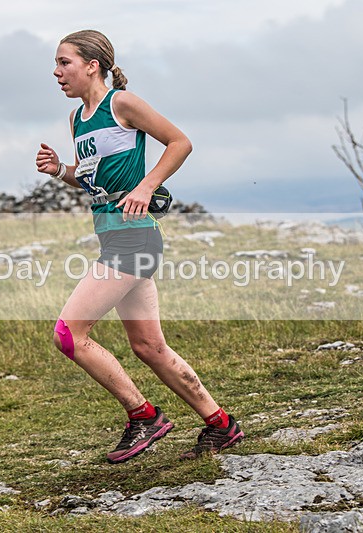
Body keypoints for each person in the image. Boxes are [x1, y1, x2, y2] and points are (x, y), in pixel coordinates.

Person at [35, 29, 243, 463]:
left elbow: (180, 142)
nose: (56, 72)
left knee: (68, 335)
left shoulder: (121, 103)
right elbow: (97, 179)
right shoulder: (78, 119)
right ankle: (220, 425)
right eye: (56, 65)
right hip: (113, 235)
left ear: (92, 65)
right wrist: (61, 171)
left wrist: (148, 185)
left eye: (64, 62)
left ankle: (143, 416)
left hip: (135, 238)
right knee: (149, 347)